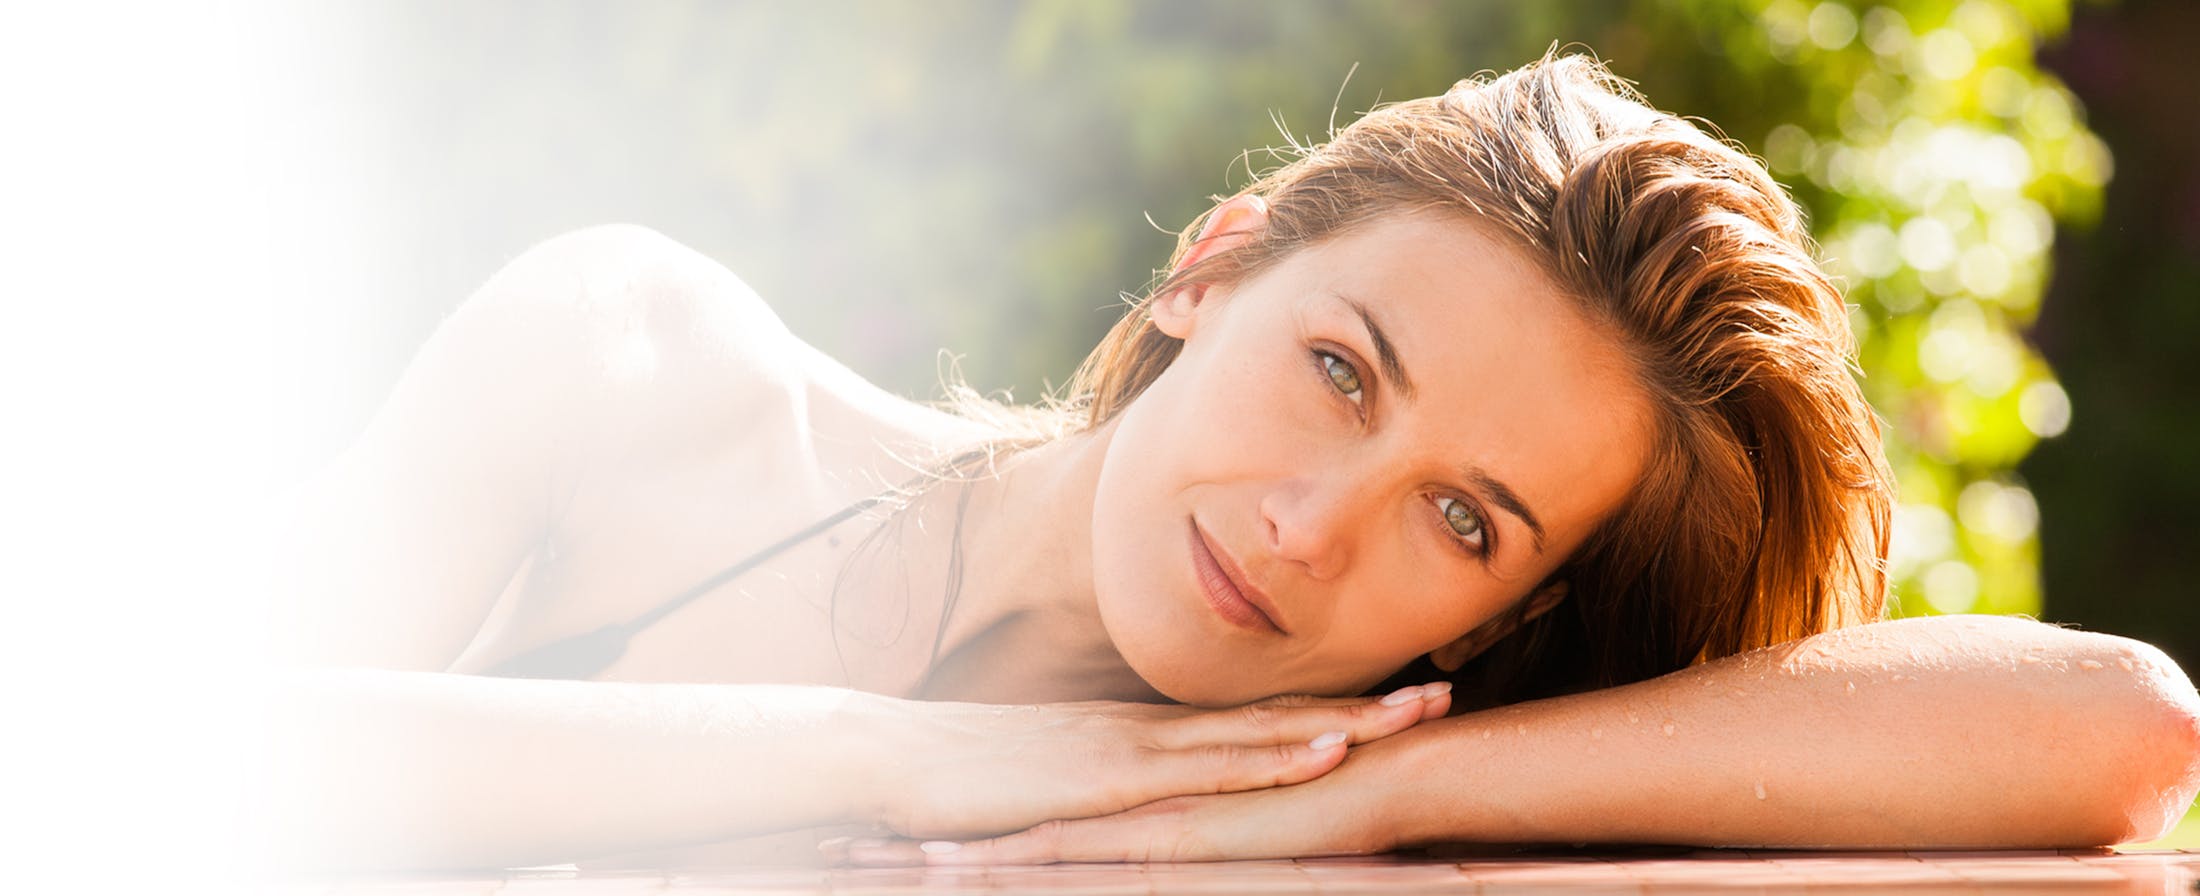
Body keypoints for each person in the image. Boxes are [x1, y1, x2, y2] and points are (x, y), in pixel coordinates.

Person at [267, 53, 2200, 871]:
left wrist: (1373, 801)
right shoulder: (648, 369)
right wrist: (899, 752)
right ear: (1220, 259)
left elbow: (2117, 728)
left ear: (1518, 598)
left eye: (1464, 518)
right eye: (1344, 371)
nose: (1308, 529)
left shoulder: (1359, 760)